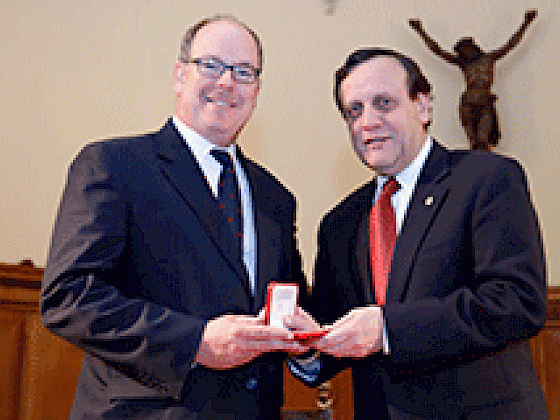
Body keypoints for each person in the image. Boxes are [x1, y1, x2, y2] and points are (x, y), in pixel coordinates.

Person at [41, 14, 310, 420]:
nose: (227, 82)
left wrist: (309, 338)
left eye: (244, 72)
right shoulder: (114, 165)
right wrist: (195, 342)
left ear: (256, 90)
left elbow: (286, 303)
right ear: (179, 75)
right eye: (212, 65)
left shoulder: (276, 198)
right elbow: (69, 297)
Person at [305, 47, 548, 419]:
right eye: (354, 110)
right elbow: (337, 328)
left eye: (384, 103)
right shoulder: (339, 224)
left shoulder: (487, 179)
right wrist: (306, 346)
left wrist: (388, 329)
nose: (368, 122)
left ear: (423, 107)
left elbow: (516, 302)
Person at [409, 10, 538, 150]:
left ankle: (485, 161)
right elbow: (437, 51)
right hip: (468, 102)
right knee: (474, 142)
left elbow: (511, 44)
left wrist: (526, 23)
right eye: (461, 52)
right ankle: (475, 161)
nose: (464, 53)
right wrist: (419, 30)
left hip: (484, 101)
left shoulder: (488, 59)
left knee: (483, 140)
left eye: (465, 50)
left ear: (473, 48)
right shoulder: (464, 63)